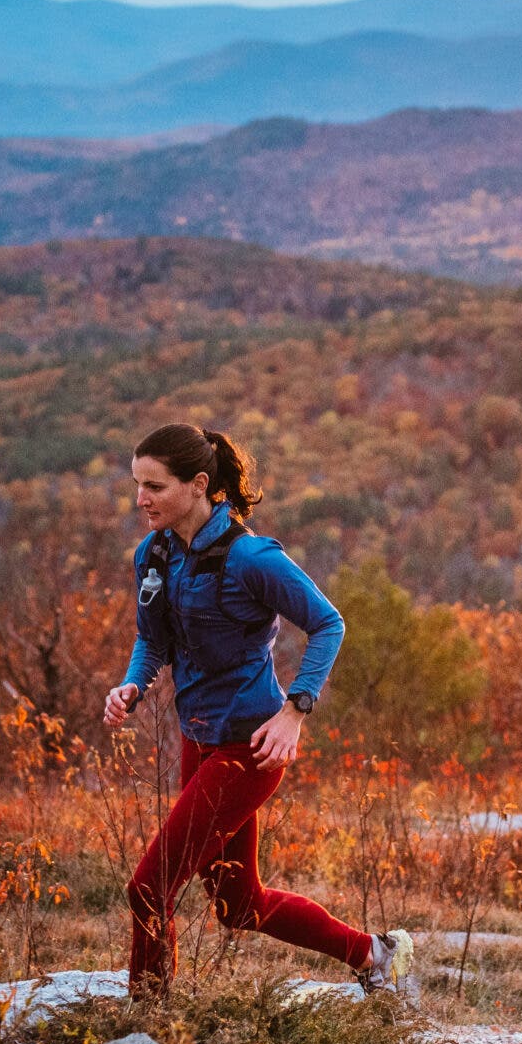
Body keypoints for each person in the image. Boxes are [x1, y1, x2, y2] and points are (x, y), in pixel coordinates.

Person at [102, 422, 412, 998]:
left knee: (149, 888)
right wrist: (132, 685)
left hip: (250, 745)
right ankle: (374, 953)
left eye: (155, 486)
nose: (141, 499)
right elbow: (154, 641)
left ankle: (148, 1023)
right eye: (136, 484)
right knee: (238, 905)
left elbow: (328, 623)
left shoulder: (251, 558)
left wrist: (295, 710)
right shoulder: (154, 554)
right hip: (197, 738)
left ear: (198, 485)